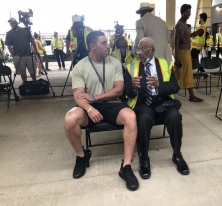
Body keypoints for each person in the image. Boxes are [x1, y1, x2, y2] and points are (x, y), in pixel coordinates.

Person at [64, 31, 139, 191]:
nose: (108, 45)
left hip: (111, 104)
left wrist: (94, 97)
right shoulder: (80, 67)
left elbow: (118, 90)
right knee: (70, 118)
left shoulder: (115, 62)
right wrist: (90, 108)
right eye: (103, 43)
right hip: (89, 106)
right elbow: (78, 96)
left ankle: (126, 166)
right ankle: (81, 156)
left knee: (131, 117)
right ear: (92, 46)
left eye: (107, 42)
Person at [126, 37, 189, 179]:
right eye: (138, 49)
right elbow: (125, 93)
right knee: (143, 119)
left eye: (143, 49)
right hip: (143, 104)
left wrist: (160, 85)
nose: (139, 52)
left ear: (152, 50)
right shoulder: (131, 67)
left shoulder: (165, 64)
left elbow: (175, 86)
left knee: (175, 117)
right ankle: (144, 159)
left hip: (162, 102)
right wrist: (133, 87)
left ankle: (177, 155)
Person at [174, 4, 203, 102]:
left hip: (185, 51)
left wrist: (192, 34)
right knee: (187, 74)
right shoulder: (179, 25)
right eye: (186, 12)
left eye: (189, 12)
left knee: (178, 73)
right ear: (181, 12)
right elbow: (176, 42)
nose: (188, 14)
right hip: (182, 52)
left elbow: (184, 37)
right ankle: (192, 96)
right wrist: (177, 58)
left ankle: (168, 92)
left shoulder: (185, 24)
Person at [5, 17, 37, 82]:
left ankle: (34, 83)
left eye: (13, 22)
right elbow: (9, 45)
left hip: (28, 55)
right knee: (22, 73)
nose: (12, 24)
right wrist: (13, 56)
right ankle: (25, 85)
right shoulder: (9, 33)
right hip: (18, 56)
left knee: (33, 72)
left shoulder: (25, 30)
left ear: (16, 22)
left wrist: (35, 50)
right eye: (10, 23)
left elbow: (32, 40)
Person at [111, 36, 131, 101]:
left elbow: (132, 63)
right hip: (118, 74)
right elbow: (112, 65)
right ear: (118, 43)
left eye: (124, 41)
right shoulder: (114, 53)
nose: (123, 42)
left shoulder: (130, 52)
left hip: (128, 73)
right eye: (121, 41)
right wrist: (120, 72)